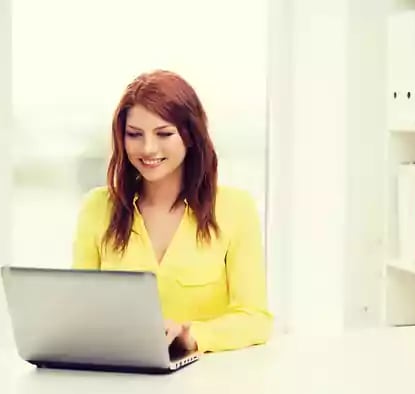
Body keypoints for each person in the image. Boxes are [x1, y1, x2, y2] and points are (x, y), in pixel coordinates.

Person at [72, 69, 273, 353]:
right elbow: (80, 311)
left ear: (190, 136)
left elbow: (256, 320)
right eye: (134, 134)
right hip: (121, 376)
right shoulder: (97, 208)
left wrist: (192, 336)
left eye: (164, 133)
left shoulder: (235, 209)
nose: (148, 148)